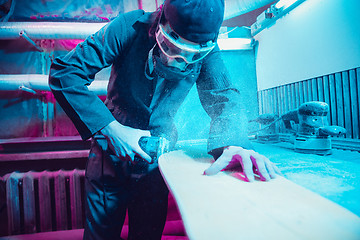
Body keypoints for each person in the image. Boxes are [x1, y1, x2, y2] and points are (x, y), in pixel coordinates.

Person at [49, 0, 280, 239]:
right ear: (160, 21)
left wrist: (234, 144)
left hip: (156, 161)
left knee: (147, 235)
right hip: (110, 153)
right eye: (170, 46)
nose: (173, 60)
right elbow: (66, 73)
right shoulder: (129, 26)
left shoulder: (209, 51)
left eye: (188, 55)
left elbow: (224, 98)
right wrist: (112, 129)